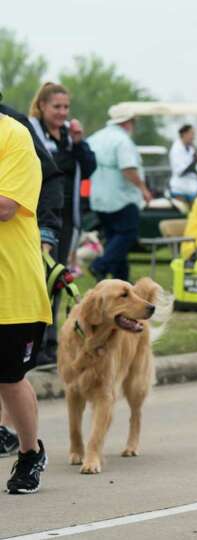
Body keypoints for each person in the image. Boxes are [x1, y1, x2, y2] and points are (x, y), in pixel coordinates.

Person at [0, 95, 65, 456]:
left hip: (11, 288)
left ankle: (28, 452)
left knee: (9, 378)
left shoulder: (14, 135)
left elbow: (6, 206)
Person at [27, 82, 97, 368]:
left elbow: (90, 166)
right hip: (42, 215)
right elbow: (46, 168)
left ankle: (54, 341)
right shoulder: (31, 132)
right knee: (41, 279)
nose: (62, 112)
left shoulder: (69, 136)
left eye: (66, 107)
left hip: (67, 217)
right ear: (42, 106)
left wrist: (79, 142)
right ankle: (37, 343)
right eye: (56, 106)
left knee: (58, 280)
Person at [87, 109, 152, 282]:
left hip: (98, 197)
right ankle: (99, 265)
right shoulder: (122, 140)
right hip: (121, 197)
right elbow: (128, 168)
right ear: (127, 122)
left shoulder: (95, 137)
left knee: (113, 237)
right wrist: (143, 189)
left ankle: (120, 278)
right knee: (128, 234)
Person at [168, 124, 197, 202]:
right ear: (184, 134)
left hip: (192, 189)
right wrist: (195, 161)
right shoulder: (176, 149)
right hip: (180, 190)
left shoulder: (191, 149)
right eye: (191, 134)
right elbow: (180, 171)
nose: (193, 137)